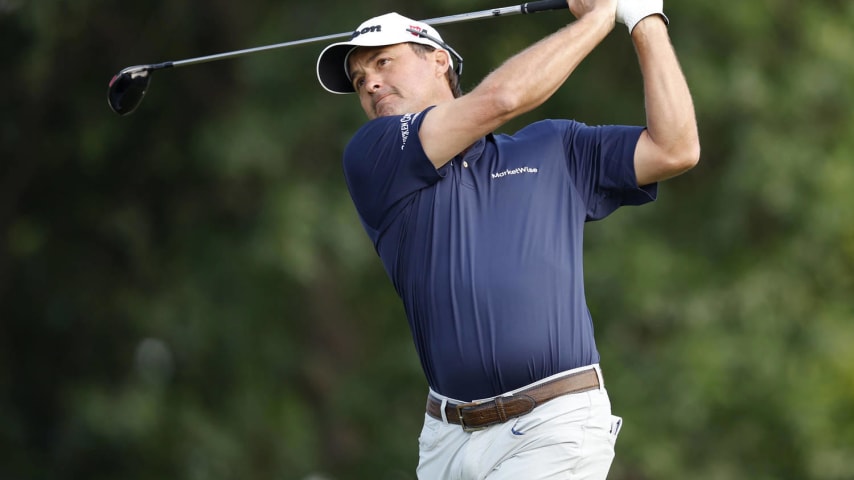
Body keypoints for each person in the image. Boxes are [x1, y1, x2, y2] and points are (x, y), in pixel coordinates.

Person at [316, 0, 699, 477]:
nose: (369, 83)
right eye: (358, 79)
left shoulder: (555, 147)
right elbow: (501, 99)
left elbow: (676, 147)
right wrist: (603, 15)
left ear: (438, 60)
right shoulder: (374, 156)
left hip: (555, 426)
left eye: (383, 61)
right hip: (446, 442)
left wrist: (643, 19)